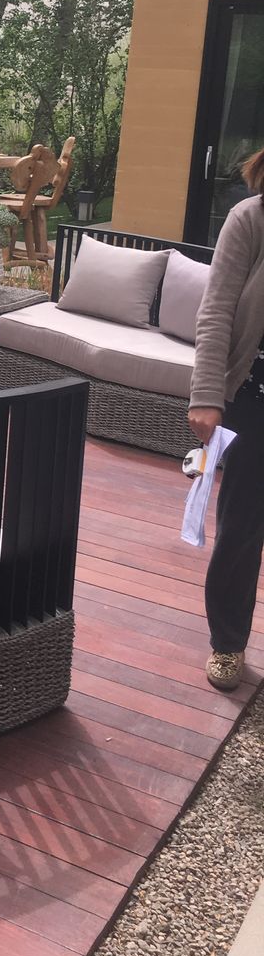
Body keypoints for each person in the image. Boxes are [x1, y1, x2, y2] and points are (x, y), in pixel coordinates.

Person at [189, 149, 264, 691]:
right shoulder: (251, 218)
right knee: (241, 528)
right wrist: (207, 394)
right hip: (254, 399)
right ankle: (228, 642)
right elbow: (216, 310)